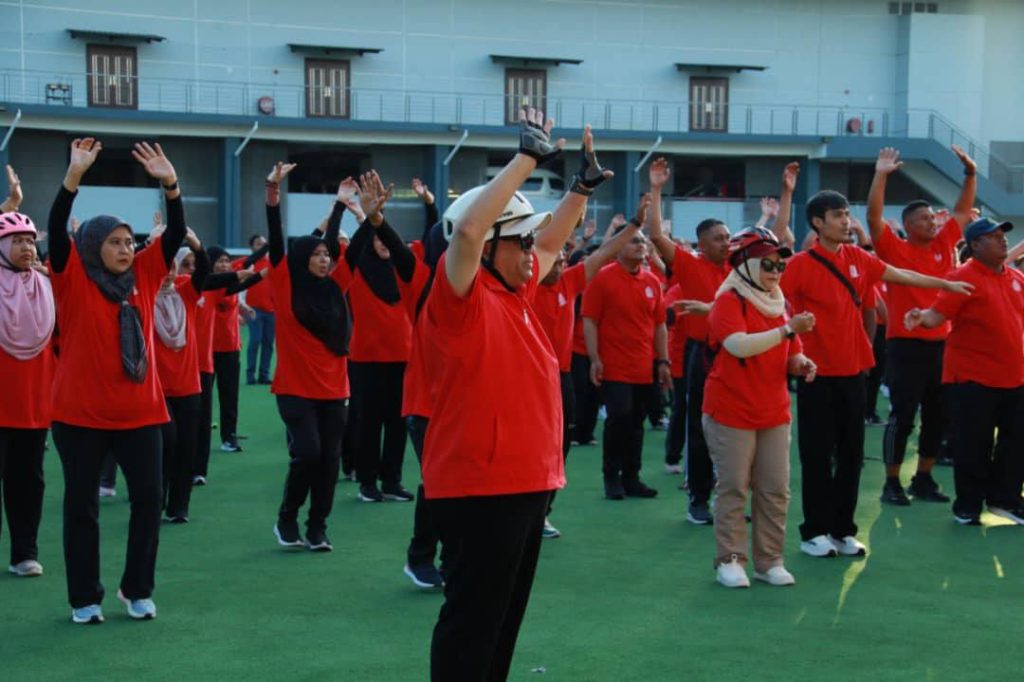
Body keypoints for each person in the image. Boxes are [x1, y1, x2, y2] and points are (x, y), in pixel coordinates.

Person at [423, 110, 607, 680]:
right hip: (481, 486)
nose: (534, 249)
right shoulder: (460, 297)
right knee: (473, 621)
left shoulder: (516, 294)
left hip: (525, 483)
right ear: (488, 246)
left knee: (502, 621)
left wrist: (580, 189)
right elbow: (468, 232)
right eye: (520, 239)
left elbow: (551, 240)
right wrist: (525, 159)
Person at [781, 188, 973, 559]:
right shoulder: (800, 265)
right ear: (818, 223)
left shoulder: (857, 257)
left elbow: (901, 275)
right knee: (817, 455)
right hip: (815, 373)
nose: (846, 221)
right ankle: (814, 532)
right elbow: (776, 303)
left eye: (846, 214)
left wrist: (944, 284)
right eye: (837, 215)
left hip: (854, 371)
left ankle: (843, 531)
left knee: (852, 454)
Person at [48, 138, 185, 623]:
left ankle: (137, 589)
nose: (126, 249)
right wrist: (73, 178)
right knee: (81, 508)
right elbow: (55, 230)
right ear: (93, 245)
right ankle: (85, 598)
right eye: (115, 241)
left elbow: (174, 236)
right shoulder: (71, 275)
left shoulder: (144, 275)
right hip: (79, 416)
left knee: (149, 501)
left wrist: (171, 185)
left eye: (129, 241)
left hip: (140, 415)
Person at [703, 227, 817, 588]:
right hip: (731, 409)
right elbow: (738, 345)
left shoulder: (781, 304)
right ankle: (730, 560)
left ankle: (769, 562)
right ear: (745, 265)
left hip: (773, 410)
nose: (775, 271)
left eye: (780, 265)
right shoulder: (728, 301)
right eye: (767, 264)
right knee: (733, 487)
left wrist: (801, 363)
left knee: (775, 489)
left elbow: (791, 352)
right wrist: (787, 331)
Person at [867, 145, 977, 505]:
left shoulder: (944, 242)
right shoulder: (894, 249)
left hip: (943, 345)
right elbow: (874, 217)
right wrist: (881, 175)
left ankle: (923, 478)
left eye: (932, 217)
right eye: (924, 219)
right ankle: (892, 482)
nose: (932, 222)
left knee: (937, 416)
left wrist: (970, 174)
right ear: (908, 226)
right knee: (902, 417)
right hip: (906, 346)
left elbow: (962, 211)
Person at [905, 217, 1024, 525]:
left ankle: (1005, 500)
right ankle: (968, 506)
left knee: (1016, 442)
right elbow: (936, 316)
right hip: (972, 378)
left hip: (1014, 376)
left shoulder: (1015, 277)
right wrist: (920, 317)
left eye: (1002, 235)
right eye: (993, 236)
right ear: (975, 245)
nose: (1002, 240)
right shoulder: (962, 278)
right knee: (974, 444)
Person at [265, 161, 358, 552]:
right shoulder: (285, 283)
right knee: (308, 452)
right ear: (301, 258)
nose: (324, 259)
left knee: (330, 460)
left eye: (326, 255)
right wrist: (273, 190)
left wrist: (347, 207)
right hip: (295, 389)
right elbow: (275, 235)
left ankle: (318, 526)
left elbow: (346, 246)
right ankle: (287, 517)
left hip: (335, 390)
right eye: (317, 254)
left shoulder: (337, 285)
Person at [533, 213, 644, 533]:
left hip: (562, 377)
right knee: (532, 446)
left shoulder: (569, 282)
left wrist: (634, 225)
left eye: (562, 262)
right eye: (553, 262)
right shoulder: (524, 289)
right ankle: (523, 509)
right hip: (530, 379)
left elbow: (604, 252)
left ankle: (543, 511)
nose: (559, 267)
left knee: (561, 446)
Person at [648, 158, 735, 524]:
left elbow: (779, 242)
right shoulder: (690, 265)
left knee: (737, 430)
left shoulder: (738, 266)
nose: (726, 243)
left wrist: (786, 193)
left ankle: (731, 499)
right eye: (719, 238)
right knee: (700, 428)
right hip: (703, 355)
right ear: (701, 244)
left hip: (737, 352)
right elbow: (656, 236)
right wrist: (656, 188)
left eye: (728, 237)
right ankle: (699, 499)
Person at [583, 195, 669, 501]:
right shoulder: (603, 279)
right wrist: (595, 358)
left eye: (643, 241)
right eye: (634, 241)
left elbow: (660, 325)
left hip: (644, 366)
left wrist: (663, 361)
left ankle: (632, 477)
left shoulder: (652, 282)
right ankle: (612, 477)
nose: (641, 245)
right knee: (619, 418)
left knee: (636, 423)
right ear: (618, 246)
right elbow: (590, 321)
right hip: (614, 366)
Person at [346, 173, 418, 504]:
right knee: (369, 424)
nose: (383, 244)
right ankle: (367, 482)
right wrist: (367, 216)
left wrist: (429, 204)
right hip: (366, 360)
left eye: (387, 239)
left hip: (403, 359)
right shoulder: (359, 268)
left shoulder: (403, 271)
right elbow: (354, 248)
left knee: (398, 423)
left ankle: (392, 480)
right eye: (378, 240)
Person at [0, 200, 56, 579]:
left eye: (30, 241)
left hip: (34, 403)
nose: (26, 248)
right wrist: (7, 206)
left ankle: (24, 554)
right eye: (16, 241)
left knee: (29, 482)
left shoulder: (47, 285)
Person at [243, 233, 275, 385]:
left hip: (272, 310)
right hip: (254, 309)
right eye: (258, 244)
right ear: (252, 248)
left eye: (264, 243)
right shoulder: (249, 262)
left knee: (268, 343)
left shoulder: (273, 263)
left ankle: (264, 375)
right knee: (255, 340)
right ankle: (250, 375)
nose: (262, 247)